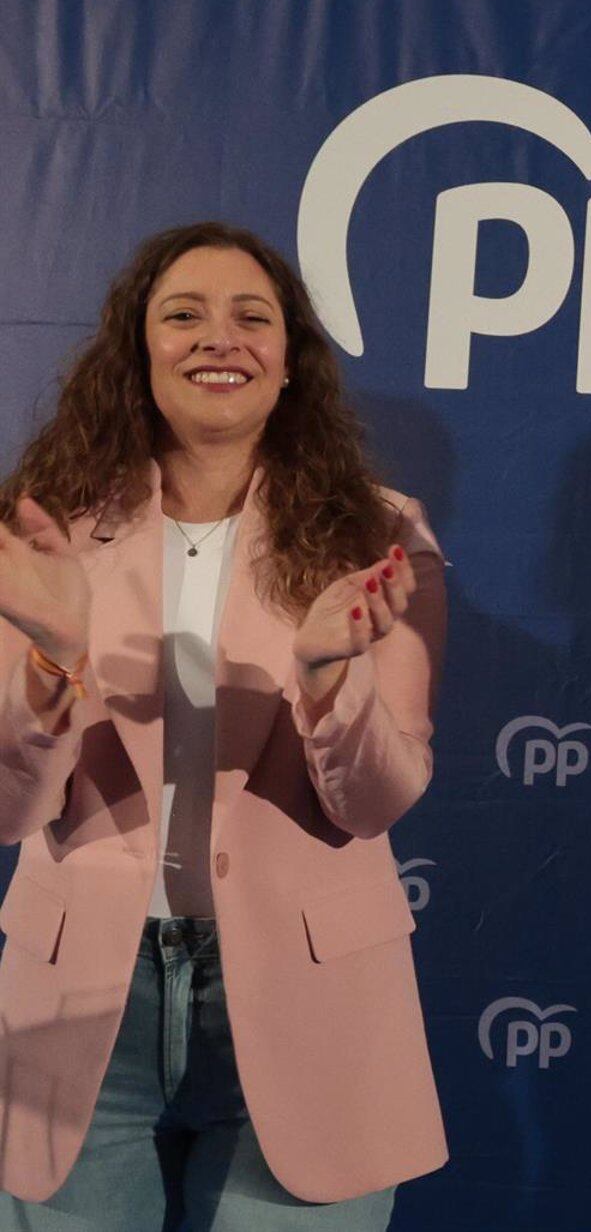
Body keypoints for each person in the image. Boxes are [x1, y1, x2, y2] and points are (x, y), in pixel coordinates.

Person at [0, 223, 448, 1229]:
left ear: (292, 362)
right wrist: (50, 661)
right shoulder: (39, 536)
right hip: (79, 1014)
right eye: (184, 315)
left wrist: (330, 677)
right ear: (138, 349)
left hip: (307, 1004)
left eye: (254, 317)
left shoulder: (378, 534)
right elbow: (5, 805)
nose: (221, 338)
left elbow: (380, 796)